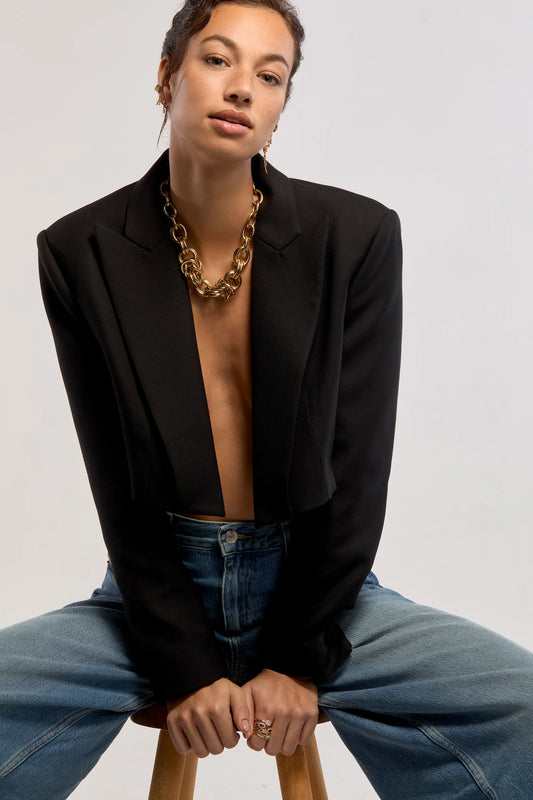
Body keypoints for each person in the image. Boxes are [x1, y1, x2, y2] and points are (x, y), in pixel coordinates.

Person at [1, 1, 532, 798]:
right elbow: (116, 484)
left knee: (521, 706)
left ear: (282, 104)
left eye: (270, 74)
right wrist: (184, 665)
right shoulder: (80, 251)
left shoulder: (353, 236)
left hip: (320, 591)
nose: (243, 87)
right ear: (167, 74)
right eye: (217, 59)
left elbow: (357, 469)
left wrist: (295, 657)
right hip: (153, 598)